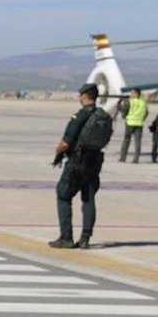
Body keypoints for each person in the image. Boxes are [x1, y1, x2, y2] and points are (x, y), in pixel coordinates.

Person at [51, 83, 106, 249]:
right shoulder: (102, 115)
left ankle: (66, 237)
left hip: (77, 163)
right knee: (88, 199)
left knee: (63, 195)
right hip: (94, 163)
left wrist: (57, 152)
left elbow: (66, 143)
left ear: (84, 96)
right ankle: (85, 238)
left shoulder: (81, 115)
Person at [114, 87, 149, 163]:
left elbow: (124, 110)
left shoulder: (130, 101)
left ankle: (123, 157)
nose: (131, 94)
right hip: (139, 123)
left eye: (132, 93)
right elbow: (146, 113)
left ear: (136, 94)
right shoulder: (143, 102)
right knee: (137, 142)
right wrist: (142, 119)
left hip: (130, 123)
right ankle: (136, 159)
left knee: (126, 140)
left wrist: (120, 108)